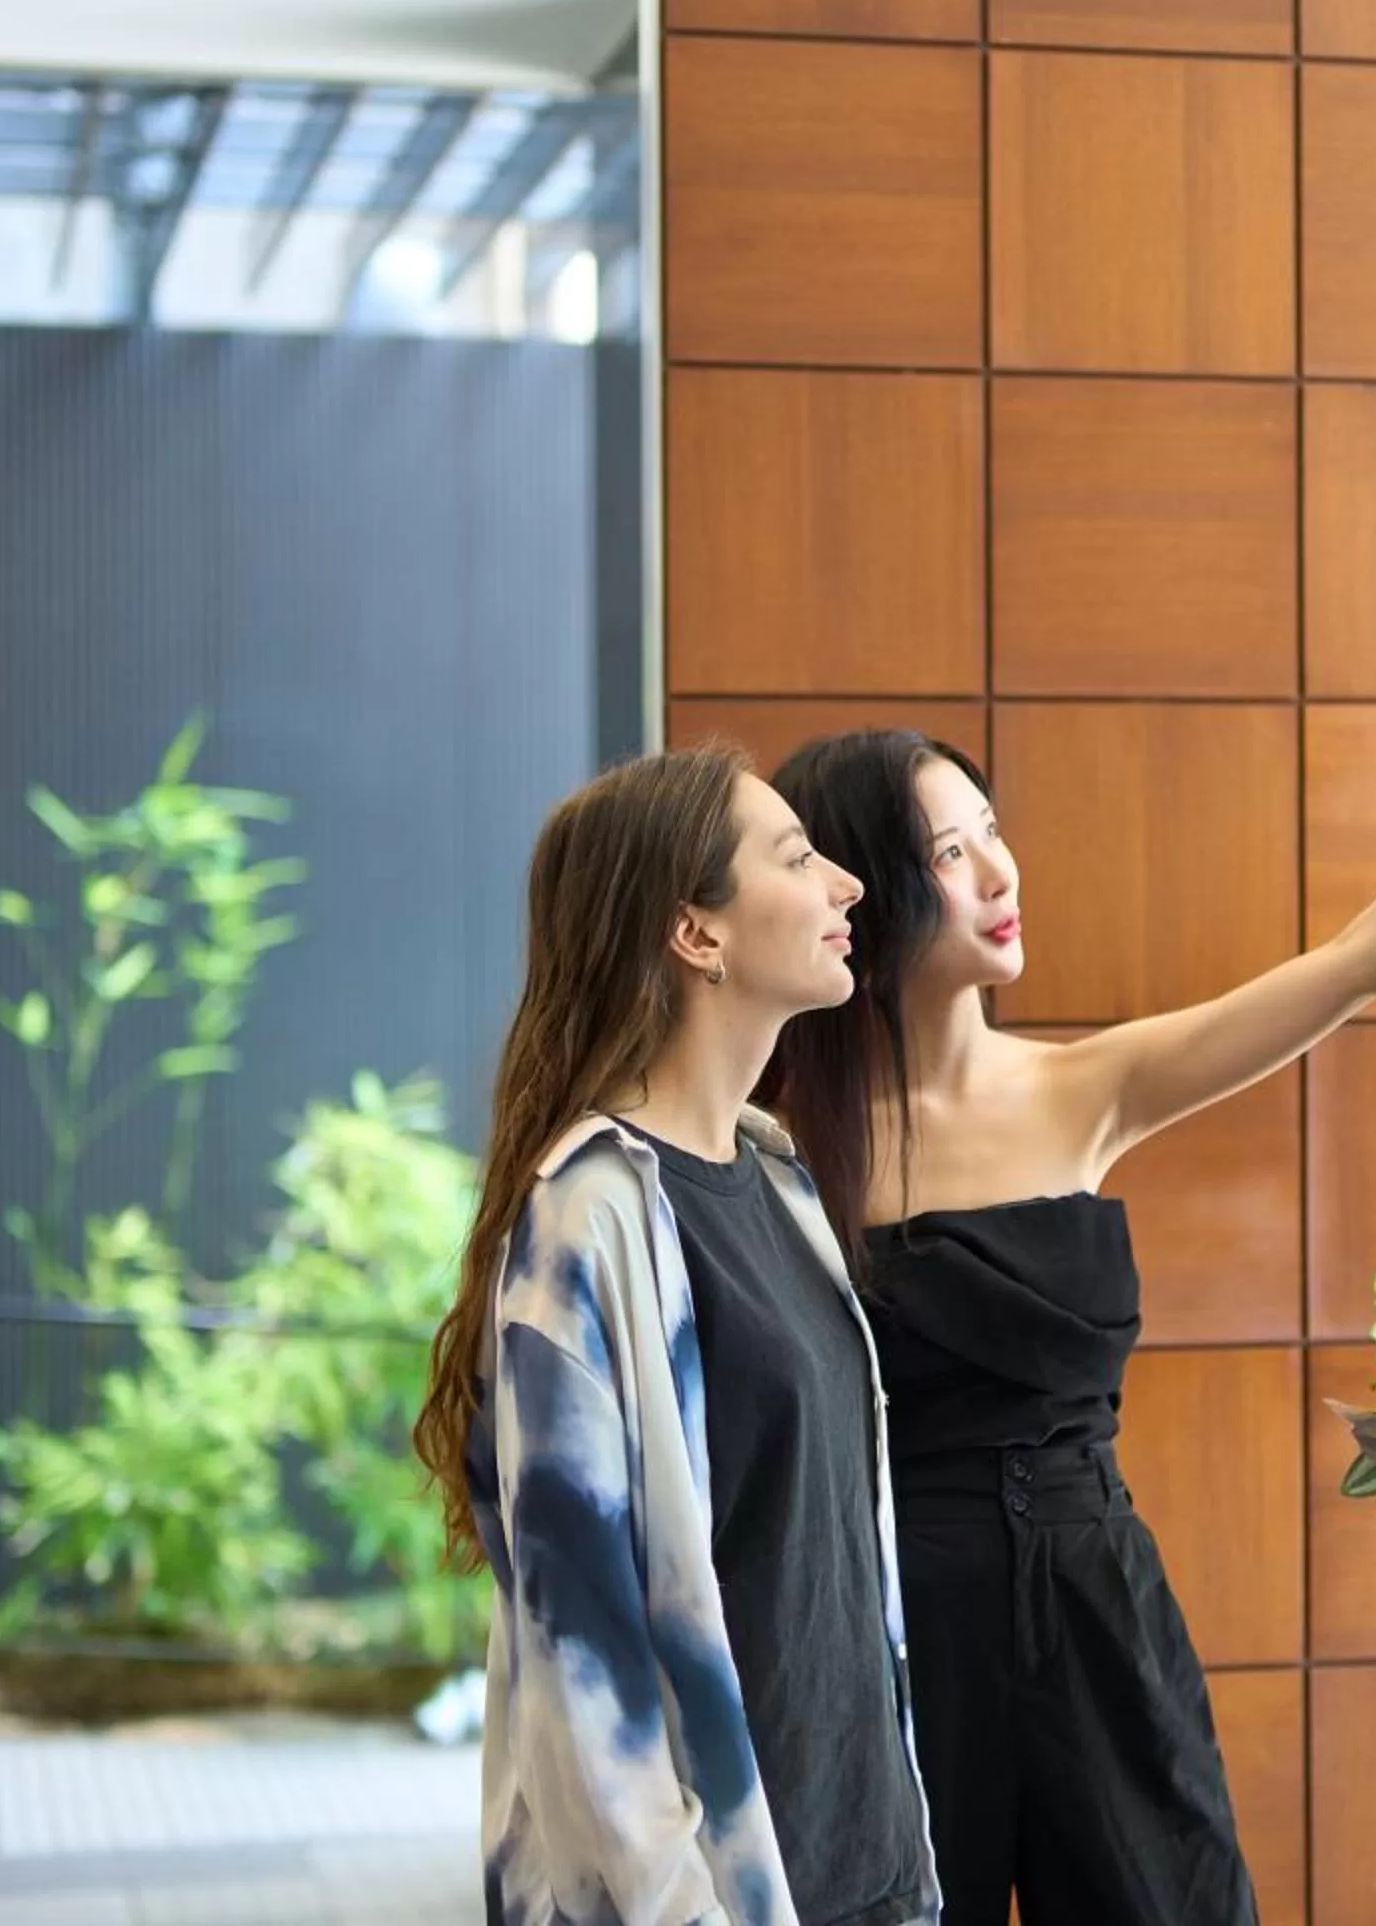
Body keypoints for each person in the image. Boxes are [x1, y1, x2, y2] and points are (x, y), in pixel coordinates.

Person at [763, 643, 1376, 1925]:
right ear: (870, 888)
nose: (1002, 873)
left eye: (992, 829)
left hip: (1095, 1601)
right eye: (952, 852)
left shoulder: (1091, 1084)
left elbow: (1353, 961)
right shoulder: (777, 1139)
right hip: (891, 1620)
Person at [415, 747, 941, 1926]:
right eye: (799, 857)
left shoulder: (776, 1176)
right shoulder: (589, 1212)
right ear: (695, 935)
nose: (848, 884)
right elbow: (582, 1658)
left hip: (863, 1872)